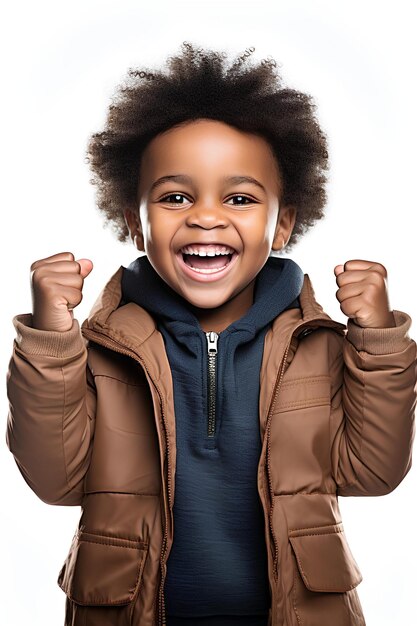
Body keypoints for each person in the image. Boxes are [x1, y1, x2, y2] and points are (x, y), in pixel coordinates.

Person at [5, 42, 416, 626]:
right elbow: (55, 480)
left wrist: (377, 340)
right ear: (133, 222)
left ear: (284, 224)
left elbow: (372, 474)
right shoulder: (96, 349)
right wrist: (50, 341)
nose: (206, 215)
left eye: (240, 198)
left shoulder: (321, 344)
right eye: (175, 196)